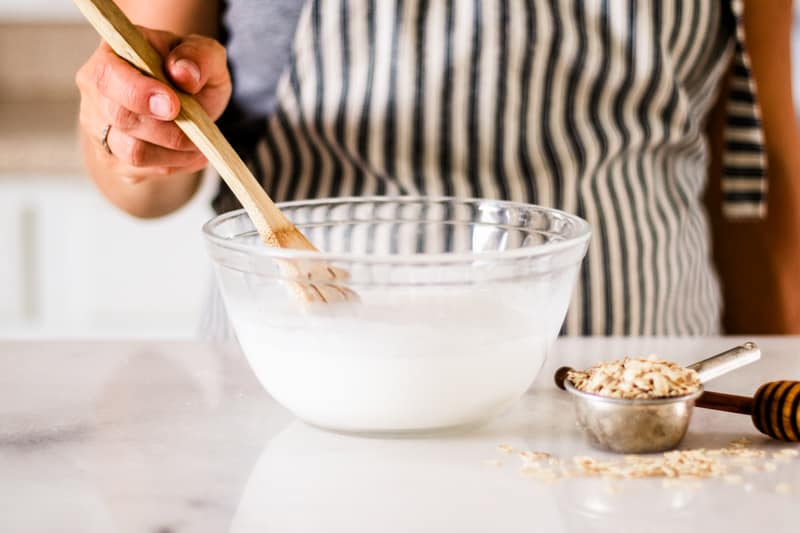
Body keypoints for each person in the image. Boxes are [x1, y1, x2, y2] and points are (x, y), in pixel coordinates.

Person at [75, 0, 800, 335]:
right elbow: (141, 185)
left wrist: (775, 394)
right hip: (302, 411)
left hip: (630, 410)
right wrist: (134, 131)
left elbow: (757, 172)